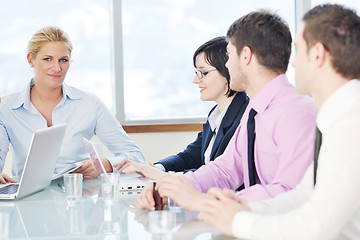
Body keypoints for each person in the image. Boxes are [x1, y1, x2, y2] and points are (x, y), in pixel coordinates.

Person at [198, 4, 360, 239]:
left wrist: (236, 221)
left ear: (317, 54)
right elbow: (303, 195)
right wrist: (240, 208)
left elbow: (314, 227)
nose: (292, 64)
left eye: (298, 51)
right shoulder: (338, 116)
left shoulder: (350, 123)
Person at [135, 10, 317, 211]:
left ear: (246, 55)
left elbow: (290, 191)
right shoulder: (254, 112)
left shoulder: (297, 113)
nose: (227, 65)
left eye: (229, 55)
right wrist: (170, 188)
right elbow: (224, 170)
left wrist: (211, 201)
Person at [0, 26, 144, 181]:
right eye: (47, 59)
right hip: (27, 200)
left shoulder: (90, 104)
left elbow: (136, 157)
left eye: (63, 60)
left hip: (78, 197)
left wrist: (105, 164)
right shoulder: (7, 108)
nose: (57, 68)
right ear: (30, 60)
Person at [114, 36, 248, 180]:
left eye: (203, 72)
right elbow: (190, 157)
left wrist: (164, 177)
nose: (196, 80)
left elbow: (217, 174)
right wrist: (154, 168)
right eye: (196, 72)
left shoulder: (244, 117)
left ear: (227, 70)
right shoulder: (216, 115)